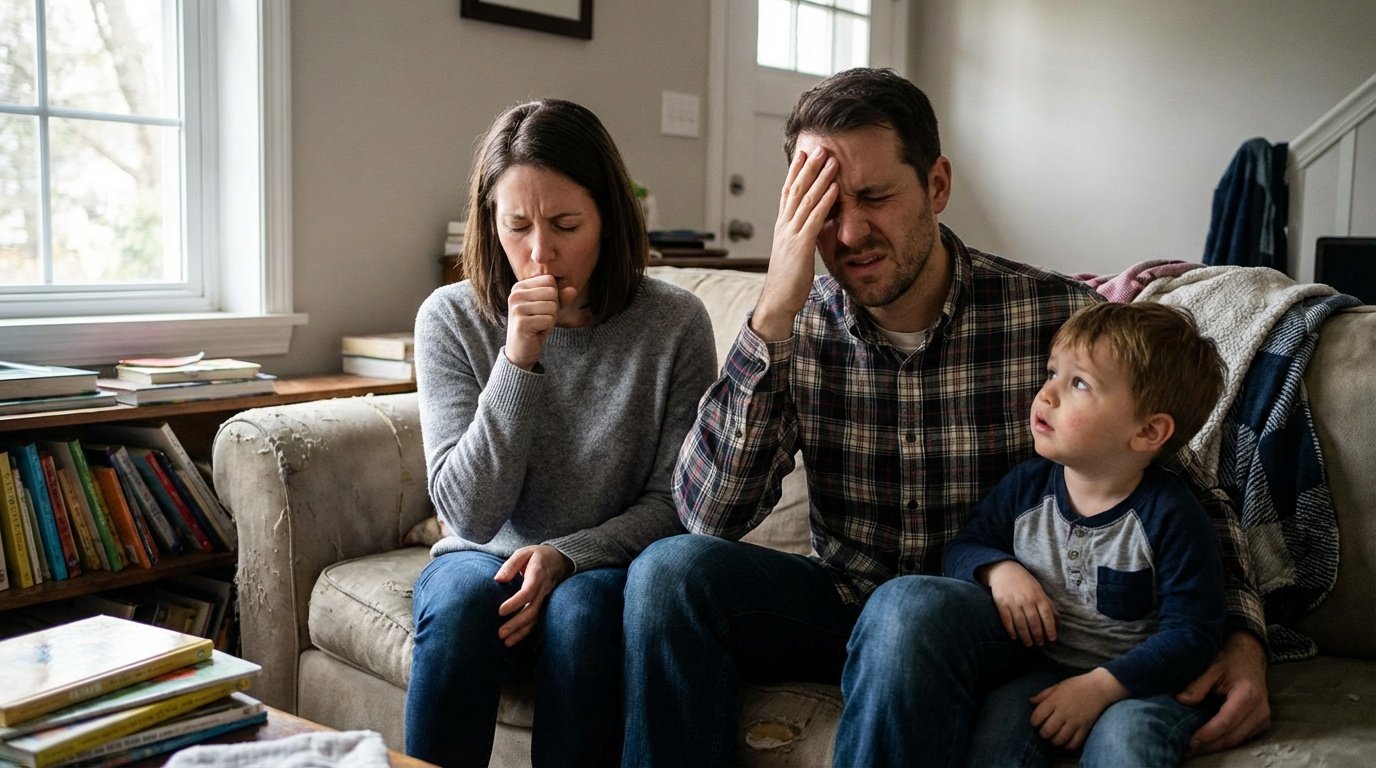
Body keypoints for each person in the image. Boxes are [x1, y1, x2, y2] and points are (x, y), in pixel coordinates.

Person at [622, 68, 1269, 768]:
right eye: (824, 207)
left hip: (993, 617)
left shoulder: (1055, 321)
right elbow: (709, 518)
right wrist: (773, 312)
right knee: (667, 573)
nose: (849, 232)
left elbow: (1186, 491)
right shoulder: (794, 328)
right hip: (840, 599)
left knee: (907, 609)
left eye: (875, 197)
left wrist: (1242, 637)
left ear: (936, 185)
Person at [405, 98, 716, 768]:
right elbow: (469, 515)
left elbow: (680, 504)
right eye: (516, 227)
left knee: (583, 616)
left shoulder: (675, 324)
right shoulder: (450, 318)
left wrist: (567, 554)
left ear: (608, 218)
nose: (540, 253)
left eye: (566, 225)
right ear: (490, 222)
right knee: (460, 607)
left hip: (600, 563)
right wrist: (518, 359)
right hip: (482, 556)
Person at [944, 301, 1227, 767]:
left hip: (1141, 687)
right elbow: (964, 548)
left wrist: (1101, 687)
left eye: (1079, 383)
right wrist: (998, 569)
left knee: (1127, 741)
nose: (1046, 394)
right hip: (1042, 673)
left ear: (1148, 431)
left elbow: (1193, 635)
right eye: (1053, 372)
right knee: (998, 737)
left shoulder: (1171, 516)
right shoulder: (1026, 487)